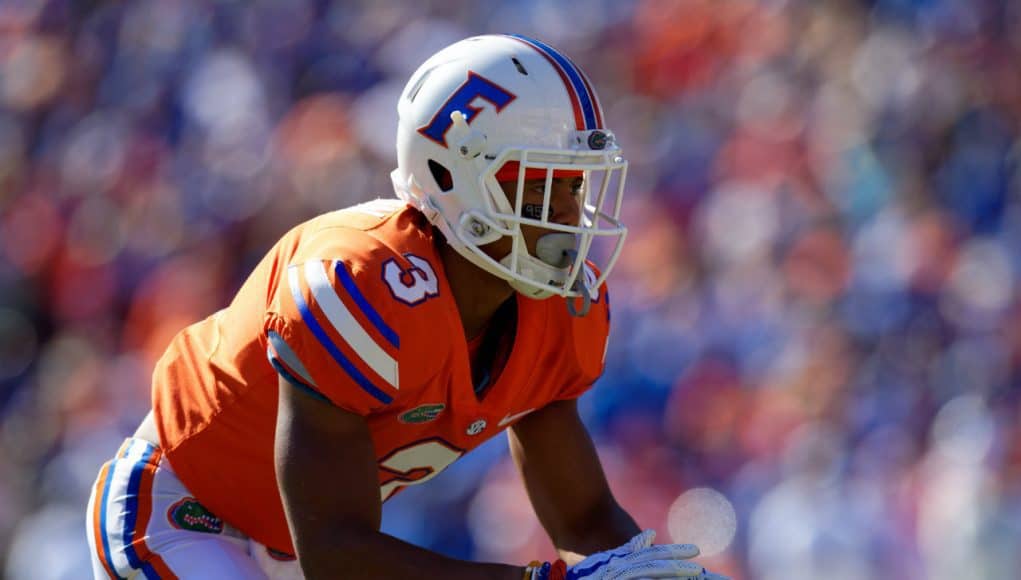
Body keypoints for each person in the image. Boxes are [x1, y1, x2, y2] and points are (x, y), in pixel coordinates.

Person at [85, 34, 729, 580]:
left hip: (298, 549)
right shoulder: (360, 282)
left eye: (576, 183)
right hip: (183, 513)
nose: (567, 213)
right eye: (540, 185)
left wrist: (640, 567)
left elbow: (585, 519)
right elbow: (337, 552)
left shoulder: (558, 306)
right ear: (454, 178)